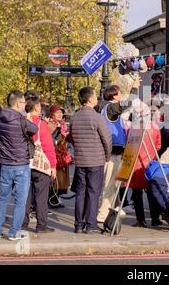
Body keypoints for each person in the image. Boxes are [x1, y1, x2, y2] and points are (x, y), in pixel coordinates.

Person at [0, 90, 38, 240]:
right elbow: (35, 129)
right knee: (20, 201)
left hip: (5, 164)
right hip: (21, 165)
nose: (25, 105)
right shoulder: (22, 121)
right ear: (19, 103)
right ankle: (13, 233)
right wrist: (28, 118)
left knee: (1, 199)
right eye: (24, 102)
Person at [69, 87, 112, 234]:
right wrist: (107, 155)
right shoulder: (96, 116)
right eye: (95, 96)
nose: (96, 98)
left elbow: (72, 138)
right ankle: (91, 224)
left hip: (81, 160)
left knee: (80, 192)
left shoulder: (74, 117)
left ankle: (78, 224)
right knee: (93, 192)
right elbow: (106, 138)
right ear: (90, 99)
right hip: (95, 159)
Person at [97, 80, 140, 223]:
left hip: (114, 151)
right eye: (119, 93)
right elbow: (126, 104)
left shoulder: (107, 109)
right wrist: (133, 89)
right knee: (109, 185)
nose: (121, 95)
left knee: (114, 184)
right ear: (114, 96)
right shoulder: (110, 108)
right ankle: (103, 215)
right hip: (112, 152)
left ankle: (111, 210)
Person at [21, 94, 57, 233]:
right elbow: (48, 147)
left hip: (23, 162)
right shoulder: (41, 124)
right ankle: (41, 225)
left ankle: (22, 223)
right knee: (41, 196)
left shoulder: (20, 121)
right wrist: (53, 166)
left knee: (24, 195)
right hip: (40, 165)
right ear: (36, 108)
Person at [129, 101, 162, 227]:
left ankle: (140, 219)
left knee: (137, 194)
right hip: (150, 163)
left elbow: (130, 144)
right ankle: (155, 218)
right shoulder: (155, 127)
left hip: (137, 163)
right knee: (152, 191)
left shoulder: (134, 127)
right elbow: (158, 145)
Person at [48, 105, 71, 208]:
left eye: (61, 113)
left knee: (61, 179)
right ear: (52, 114)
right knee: (54, 178)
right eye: (57, 113)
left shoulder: (62, 125)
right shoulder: (50, 124)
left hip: (62, 155)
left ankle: (56, 198)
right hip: (54, 155)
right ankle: (52, 199)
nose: (60, 115)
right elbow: (50, 139)